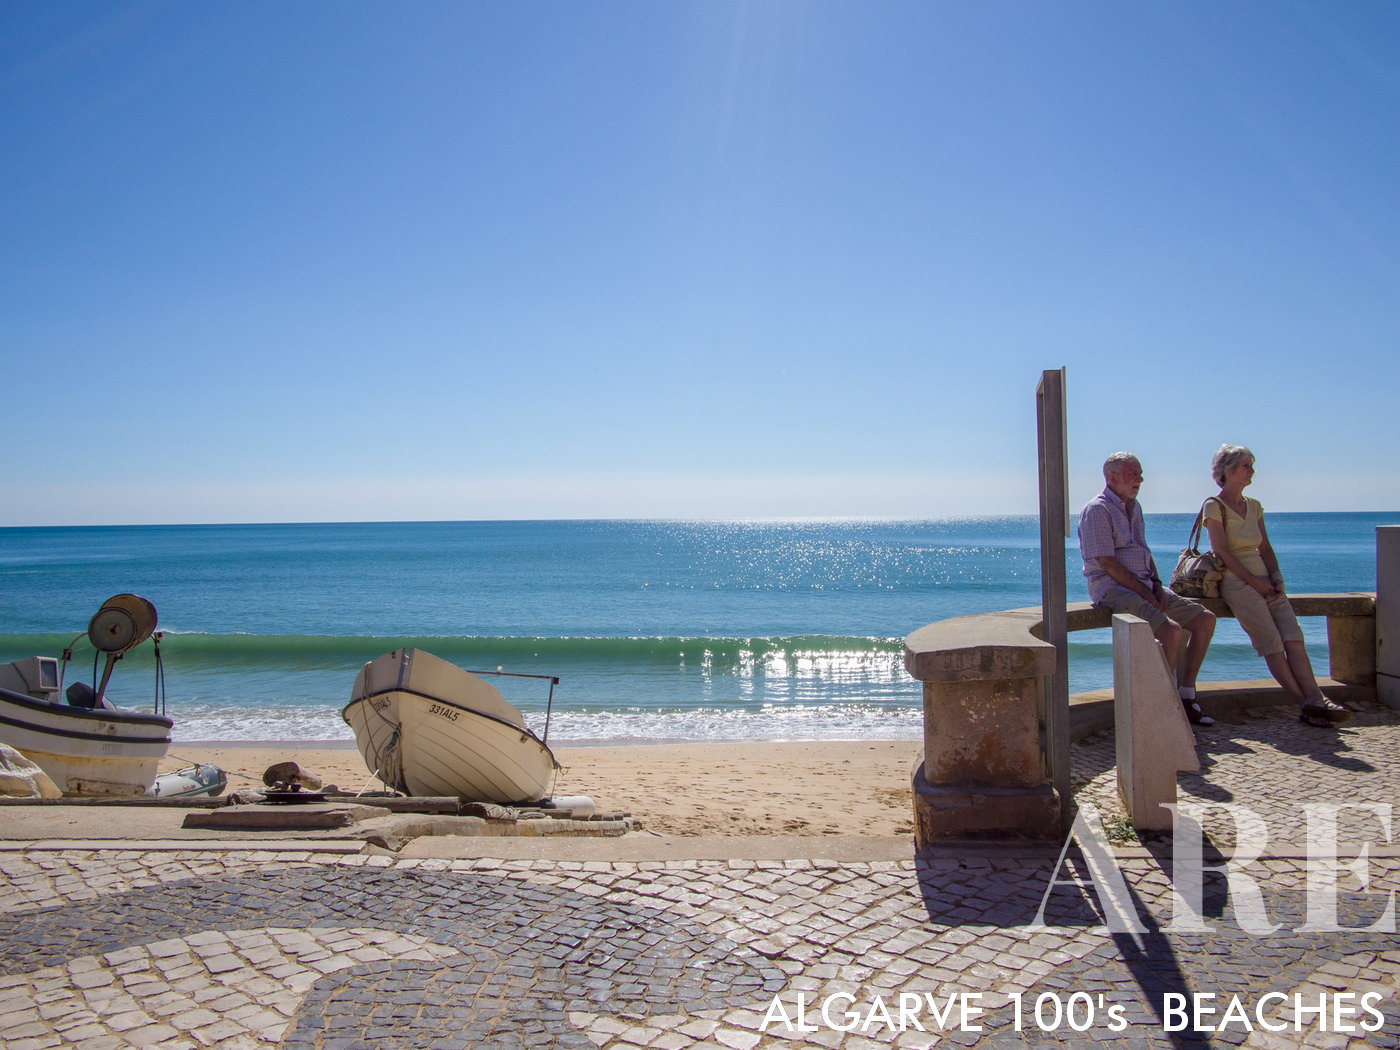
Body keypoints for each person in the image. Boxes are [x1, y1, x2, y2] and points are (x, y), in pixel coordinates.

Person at [1202, 444, 1348, 727]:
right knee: (1271, 643)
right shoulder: (1214, 506)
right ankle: (1306, 703)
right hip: (1237, 583)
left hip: (1267, 583)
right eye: (1246, 465)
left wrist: (1276, 576)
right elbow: (1222, 552)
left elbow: (1265, 547)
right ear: (1228, 471)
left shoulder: (1254, 506)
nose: (1252, 470)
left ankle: (1317, 697)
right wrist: (1254, 581)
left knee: (1293, 638)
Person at [1079, 452, 1218, 725]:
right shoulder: (1097, 510)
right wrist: (1146, 595)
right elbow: (1108, 564)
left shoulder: (1134, 506)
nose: (1140, 479)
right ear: (1113, 477)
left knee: (1204, 620)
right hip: (1112, 589)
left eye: (1140, 473)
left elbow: (1143, 550)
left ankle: (1186, 694)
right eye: (1134, 473)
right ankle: (1162, 709)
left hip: (1144, 585)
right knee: (1170, 630)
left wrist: (1155, 584)